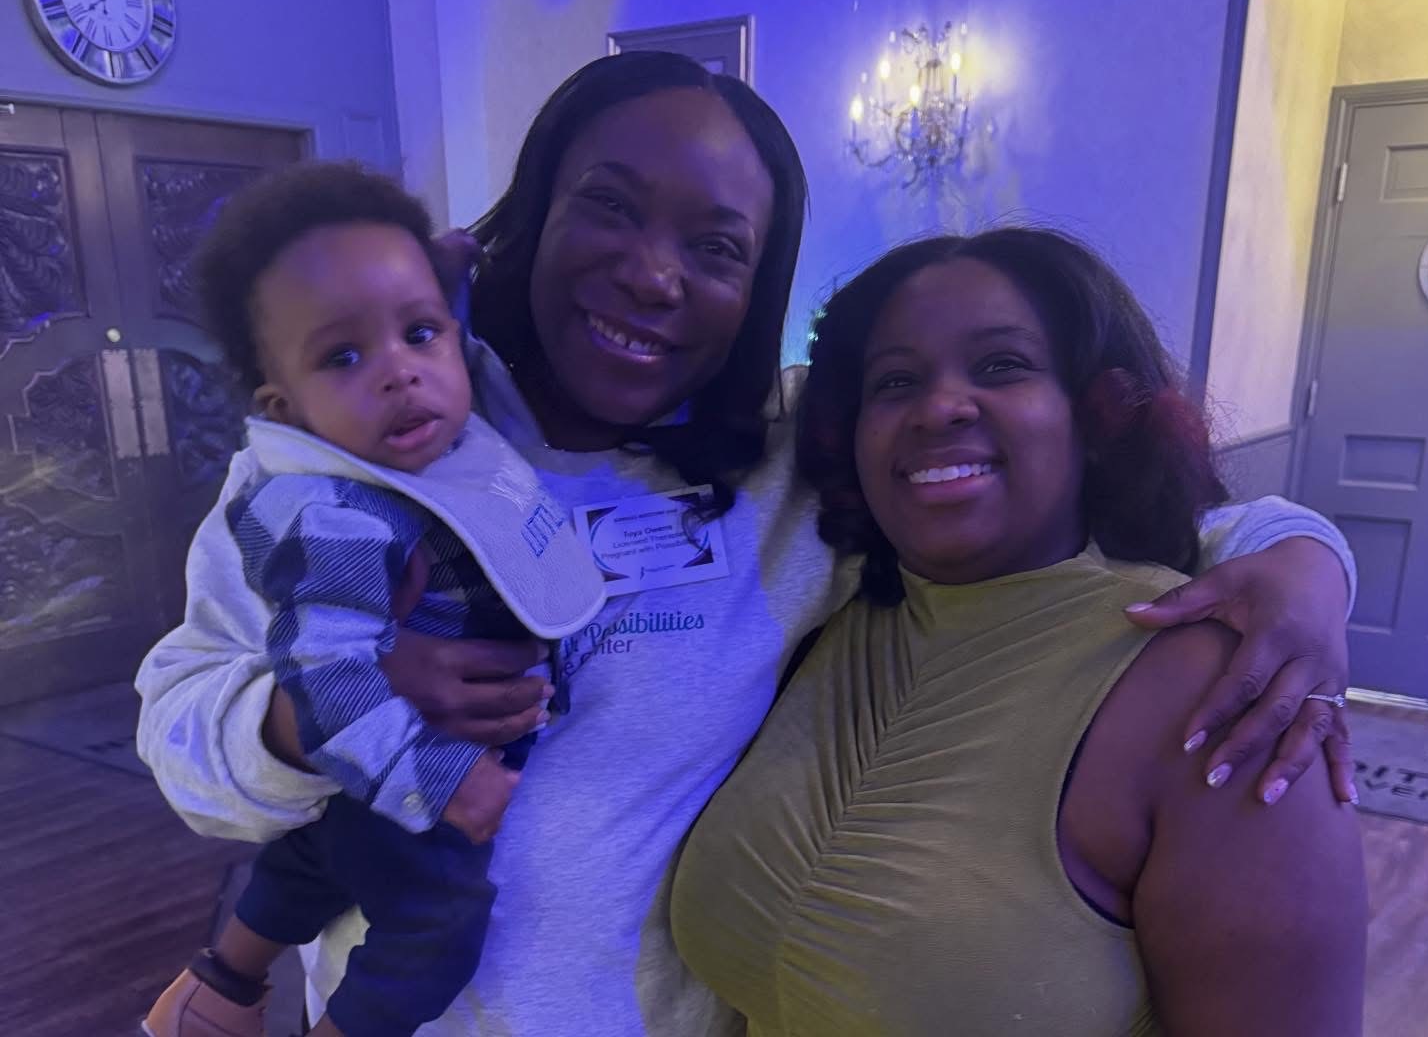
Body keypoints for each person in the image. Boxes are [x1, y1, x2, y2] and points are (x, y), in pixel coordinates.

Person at [137, 53, 1359, 1035]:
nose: (652, 274)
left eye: (716, 247)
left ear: (757, 287)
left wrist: (1307, 568)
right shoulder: (357, 448)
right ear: (534, 214)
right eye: (609, 207)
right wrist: (315, 709)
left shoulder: (790, 465)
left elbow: (1107, 504)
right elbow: (183, 734)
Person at [671, 229, 1368, 1036]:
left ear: (1098, 415)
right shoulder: (824, 620)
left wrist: (1312, 562)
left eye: (1002, 365)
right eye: (895, 381)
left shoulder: (1223, 693)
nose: (939, 407)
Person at [141, 163, 603, 1037]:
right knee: (436, 925)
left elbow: (436, 342)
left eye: (419, 333)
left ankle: (214, 991)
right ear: (285, 410)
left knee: (325, 851)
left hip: (366, 790)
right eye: (343, 357)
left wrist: (446, 279)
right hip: (410, 763)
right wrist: (445, 782)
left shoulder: (428, 435)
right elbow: (331, 683)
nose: (400, 374)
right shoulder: (333, 516)